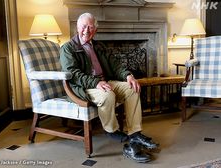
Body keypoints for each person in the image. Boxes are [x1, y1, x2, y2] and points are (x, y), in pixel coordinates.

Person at [59, 12, 159, 163]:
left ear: (95, 30)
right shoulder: (67, 48)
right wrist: (95, 83)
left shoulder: (99, 46)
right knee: (108, 95)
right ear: (77, 27)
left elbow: (116, 65)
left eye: (90, 27)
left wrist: (128, 76)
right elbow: (72, 73)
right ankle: (111, 130)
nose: (86, 30)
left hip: (105, 82)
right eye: (83, 26)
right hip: (85, 86)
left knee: (132, 88)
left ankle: (135, 132)